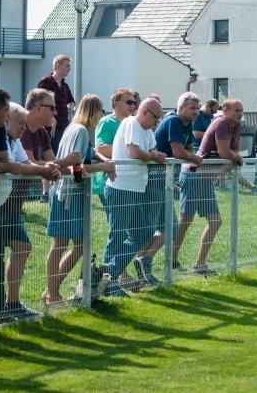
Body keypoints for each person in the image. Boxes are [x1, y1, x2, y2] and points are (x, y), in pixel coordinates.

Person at [43, 94, 115, 304]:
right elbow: (77, 168)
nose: (102, 115)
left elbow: (88, 152)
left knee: (75, 244)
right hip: (68, 193)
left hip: (66, 192)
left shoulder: (73, 128)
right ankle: (52, 293)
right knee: (62, 244)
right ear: (94, 111)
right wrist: (104, 167)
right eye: (101, 110)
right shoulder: (81, 130)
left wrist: (102, 159)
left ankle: (52, 290)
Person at [134, 92, 203, 285]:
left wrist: (190, 156)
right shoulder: (174, 121)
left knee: (170, 227)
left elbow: (188, 148)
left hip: (163, 181)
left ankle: (144, 262)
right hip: (153, 180)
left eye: (197, 108)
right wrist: (194, 159)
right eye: (192, 108)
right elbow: (179, 152)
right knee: (150, 229)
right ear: (180, 108)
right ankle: (140, 269)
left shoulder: (187, 124)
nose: (196, 111)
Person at [0, 103, 61, 317]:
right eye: (19, 123)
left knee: (23, 247)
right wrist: (48, 169)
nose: (23, 128)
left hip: (13, 207)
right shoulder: (1, 139)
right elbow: (19, 167)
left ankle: (11, 302)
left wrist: (47, 168)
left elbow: (29, 165)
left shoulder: (16, 139)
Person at [100, 98, 166, 295]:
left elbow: (152, 149)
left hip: (135, 189)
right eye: (155, 118)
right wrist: (154, 156)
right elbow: (134, 151)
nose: (157, 123)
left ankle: (108, 273)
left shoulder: (147, 129)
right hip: (121, 188)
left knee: (143, 234)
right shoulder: (131, 123)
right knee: (117, 235)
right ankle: (107, 283)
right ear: (145, 111)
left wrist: (153, 154)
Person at [174, 98, 244, 275]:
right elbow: (225, 152)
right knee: (185, 220)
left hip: (206, 179)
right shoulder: (220, 123)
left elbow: (233, 150)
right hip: (194, 175)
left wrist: (233, 155)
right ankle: (172, 260)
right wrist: (236, 156)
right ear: (225, 110)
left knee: (215, 221)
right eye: (237, 110)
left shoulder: (236, 126)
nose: (240, 113)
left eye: (241, 110)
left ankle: (200, 264)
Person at [21, 88, 82, 201]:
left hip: (16, 202)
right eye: (52, 108)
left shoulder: (42, 131)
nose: (55, 113)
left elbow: (54, 166)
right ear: (39, 108)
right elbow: (30, 163)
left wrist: (75, 169)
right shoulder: (21, 128)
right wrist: (67, 162)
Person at [92, 88, 136, 203]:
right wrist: (132, 152)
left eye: (134, 103)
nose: (133, 105)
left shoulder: (133, 123)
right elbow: (100, 148)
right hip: (110, 180)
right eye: (129, 102)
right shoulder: (106, 122)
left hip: (129, 180)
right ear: (116, 103)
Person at [37, 54, 76, 154]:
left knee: (61, 155)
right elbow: (37, 101)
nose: (69, 69)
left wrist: (70, 107)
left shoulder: (65, 85)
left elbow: (71, 101)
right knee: (51, 156)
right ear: (58, 66)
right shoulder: (46, 82)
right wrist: (50, 117)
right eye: (67, 66)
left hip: (63, 128)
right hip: (50, 129)